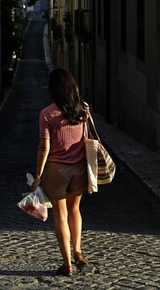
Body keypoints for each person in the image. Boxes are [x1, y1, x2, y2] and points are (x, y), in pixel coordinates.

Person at [31, 68, 90, 276]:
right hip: (80, 169)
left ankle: (68, 264)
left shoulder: (47, 114)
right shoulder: (82, 110)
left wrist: (38, 176)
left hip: (57, 171)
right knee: (76, 210)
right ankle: (78, 252)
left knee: (60, 215)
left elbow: (44, 148)